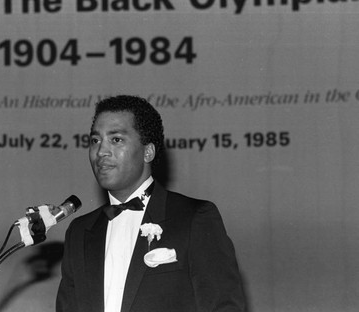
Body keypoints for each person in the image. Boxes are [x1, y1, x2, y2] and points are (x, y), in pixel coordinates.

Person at [56, 95, 246, 312]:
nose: (101, 152)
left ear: (148, 151)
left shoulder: (194, 218)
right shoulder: (79, 232)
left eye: (116, 139)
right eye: (95, 141)